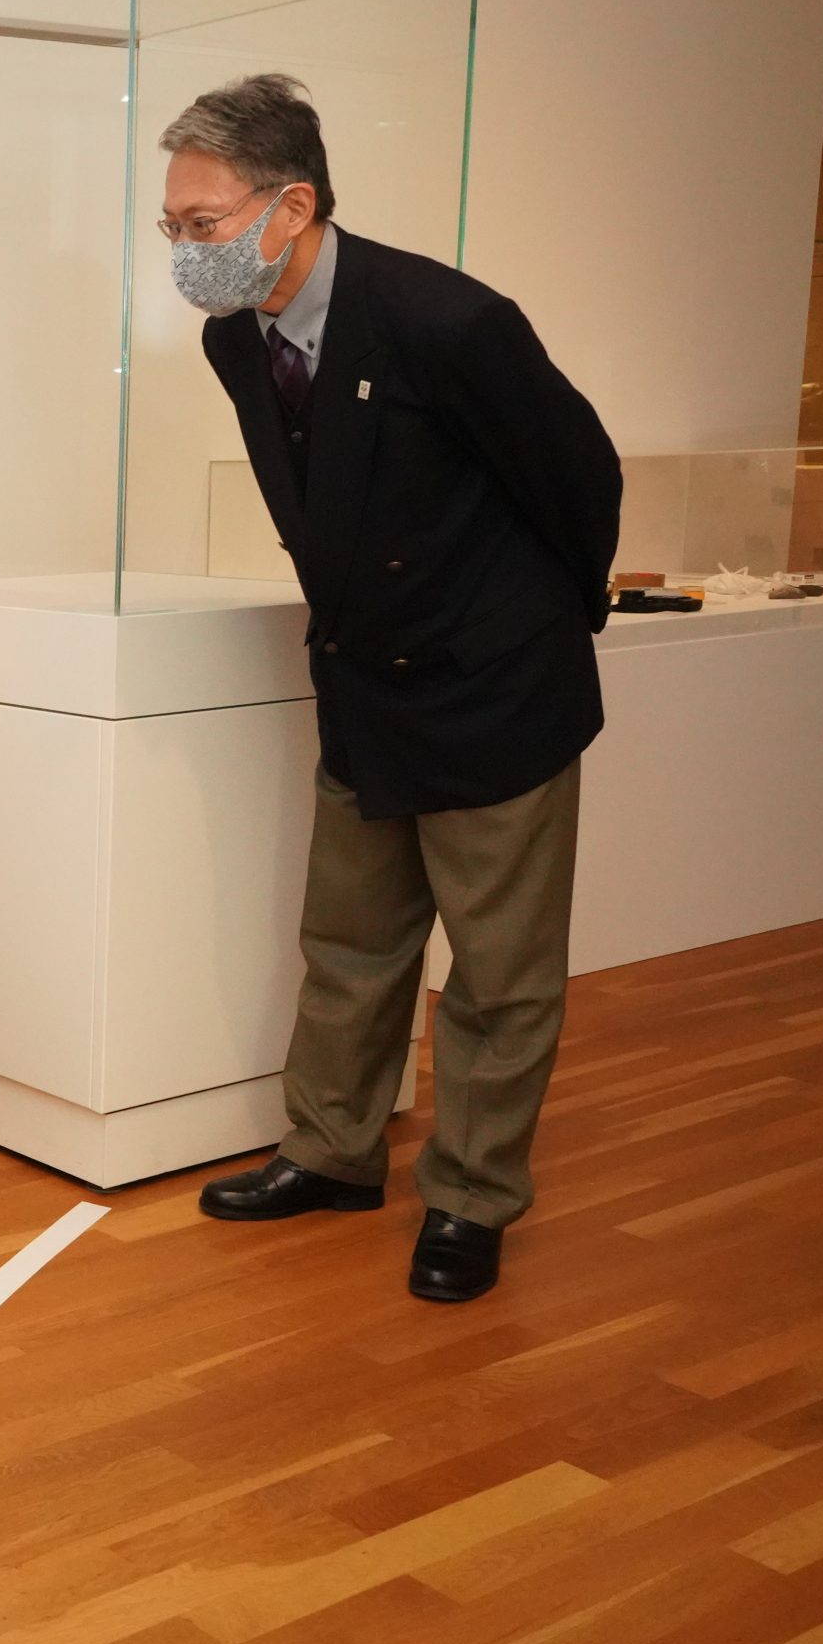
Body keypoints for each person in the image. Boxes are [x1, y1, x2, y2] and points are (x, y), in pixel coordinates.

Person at [157, 74, 620, 1302]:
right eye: (172, 228)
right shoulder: (235, 339)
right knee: (350, 946)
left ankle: (470, 1197)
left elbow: (578, 475)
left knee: (499, 976)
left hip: (492, 691)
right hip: (365, 682)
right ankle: (329, 1152)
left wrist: (536, 625)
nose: (185, 252)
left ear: (290, 206)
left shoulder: (446, 323)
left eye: (203, 224)